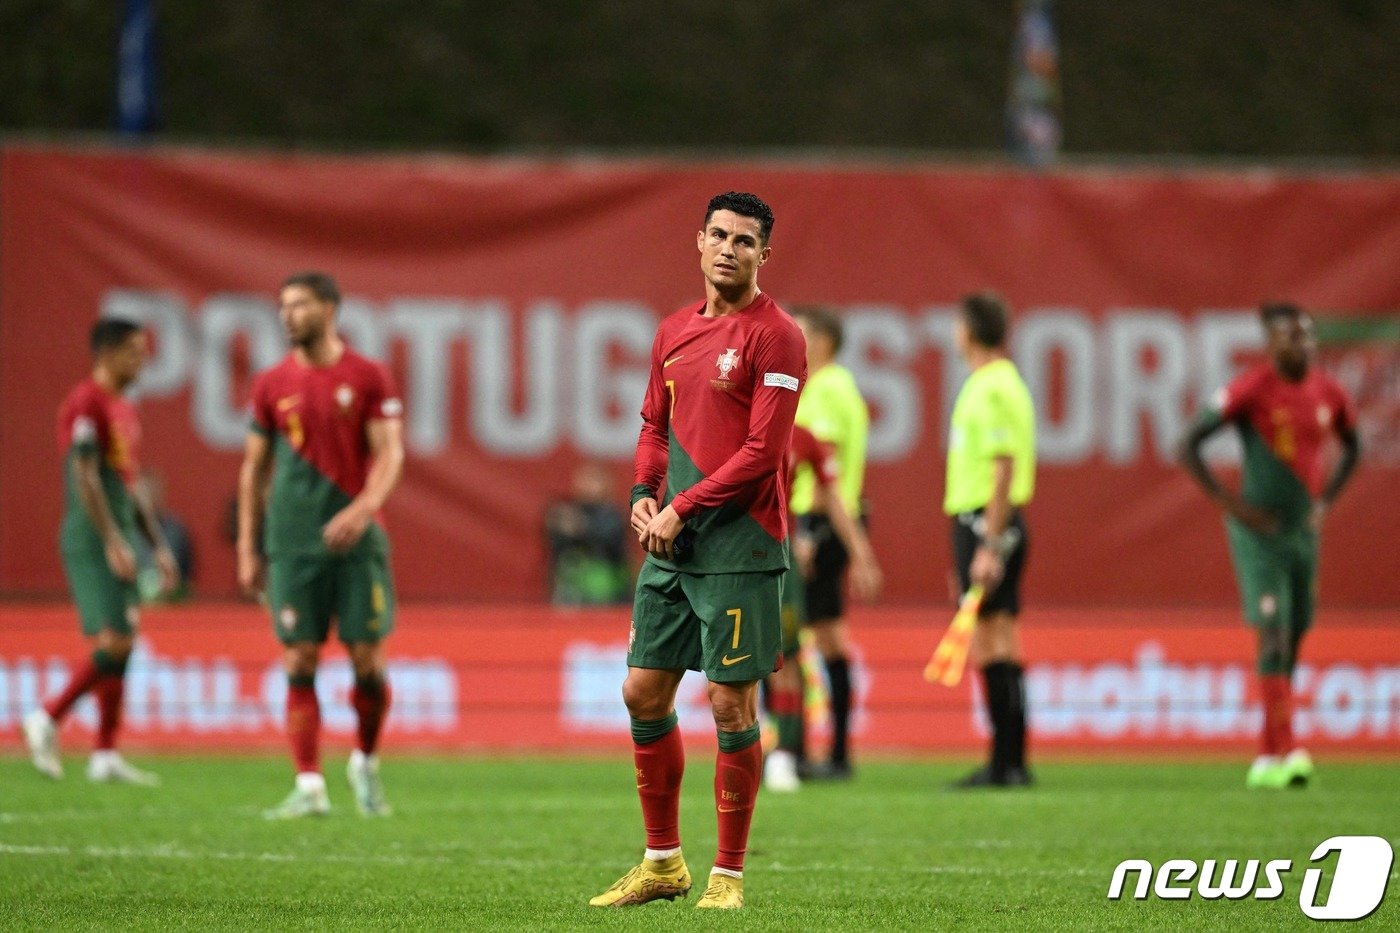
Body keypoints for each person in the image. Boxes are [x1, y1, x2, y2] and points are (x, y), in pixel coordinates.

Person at [589, 192, 806, 911]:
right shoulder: (673, 332)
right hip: (673, 543)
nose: (728, 249)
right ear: (699, 241)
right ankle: (661, 862)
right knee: (642, 691)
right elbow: (654, 424)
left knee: (730, 701)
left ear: (763, 256)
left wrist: (681, 506)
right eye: (718, 235)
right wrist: (644, 494)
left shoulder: (778, 337)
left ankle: (728, 875)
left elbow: (763, 451)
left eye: (745, 241)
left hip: (741, 544)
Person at [236, 271, 406, 819]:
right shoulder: (269, 384)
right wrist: (247, 546)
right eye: (283, 305)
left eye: (300, 304)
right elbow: (253, 470)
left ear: (330, 309)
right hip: (292, 542)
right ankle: (309, 784)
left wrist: (362, 509)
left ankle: (364, 761)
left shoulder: (367, 375)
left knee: (367, 663)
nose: (288, 314)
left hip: (356, 543)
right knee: (299, 655)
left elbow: (391, 454)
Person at [1178, 302, 1359, 790]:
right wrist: (1230, 505)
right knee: (1274, 634)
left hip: (1303, 532)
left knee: (1295, 635)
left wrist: (1327, 502)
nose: (1300, 345)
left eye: (1306, 336)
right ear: (1271, 345)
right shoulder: (1251, 390)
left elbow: (1353, 445)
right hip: (1260, 535)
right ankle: (1291, 748)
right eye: (1289, 338)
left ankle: (1266, 753)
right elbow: (1189, 442)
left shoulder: (1328, 392)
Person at [24, 318, 178, 785]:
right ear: (106, 353)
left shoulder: (122, 409)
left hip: (120, 532)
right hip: (93, 536)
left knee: (124, 640)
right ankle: (47, 717)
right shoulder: (86, 402)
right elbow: (85, 475)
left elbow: (129, 487)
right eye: (133, 351)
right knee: (116, 641)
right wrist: (112, 539)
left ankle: (105, 753)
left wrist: (159, 547)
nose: (142, 360)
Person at [944, 292, 1036, 789]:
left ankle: (1004, 763)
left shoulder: (992, 387)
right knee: (1003, 639)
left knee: (989, 642)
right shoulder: (1004, 382)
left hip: (986, 522)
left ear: (970, 330)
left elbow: (1003, 470)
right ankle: (1012, 760)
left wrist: (987, 543)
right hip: (989, 522)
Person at [763, 423, 881, 793]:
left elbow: (831, 496)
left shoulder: (803, 436)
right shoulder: (727, 422)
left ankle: (785, 755)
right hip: (728, 558)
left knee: (785, 656)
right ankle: (749, 749)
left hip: (777, 556)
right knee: (739, 661)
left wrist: (861, 555)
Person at [787, 307, 871, 779]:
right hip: (828, 523)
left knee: (808, 637)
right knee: (825, 636)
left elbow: (825, 470)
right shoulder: (835, 387)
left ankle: (811, 752)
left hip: (816, 525)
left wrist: (809, 533)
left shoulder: (827, 390)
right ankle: (832, 752)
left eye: (799, 331)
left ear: (822, 340)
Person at [545, 462, 632, 606]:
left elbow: (610, 540)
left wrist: (580, 528)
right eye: (584, 480)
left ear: (607, 485)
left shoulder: (614, 515)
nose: (588, 486)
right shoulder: (564, 512)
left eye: (594, 480)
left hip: (610, 593)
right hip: (570, 593)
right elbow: (555, 543)